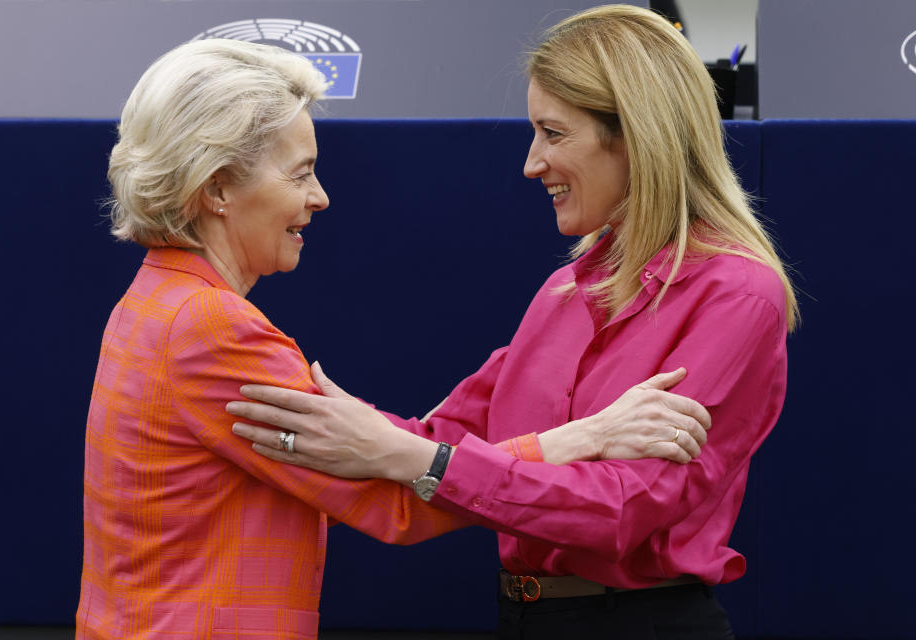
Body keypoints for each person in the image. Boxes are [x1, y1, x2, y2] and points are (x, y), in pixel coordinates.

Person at [76, 37, 712, 640]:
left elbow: (380, 454)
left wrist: (392, 438)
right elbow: (397, 504)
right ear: (216, 188)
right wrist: (589, 435)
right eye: (300, 174)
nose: (320, 198)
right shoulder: (213, 329)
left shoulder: (154, 300)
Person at [227, 5, 797, 639]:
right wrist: (294, 412)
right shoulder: (563, 292)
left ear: (635, 135)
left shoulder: (738, 295)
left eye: (553, 133)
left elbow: (625, 509)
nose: (532, 163)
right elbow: (441, 433)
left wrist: (420, 458)